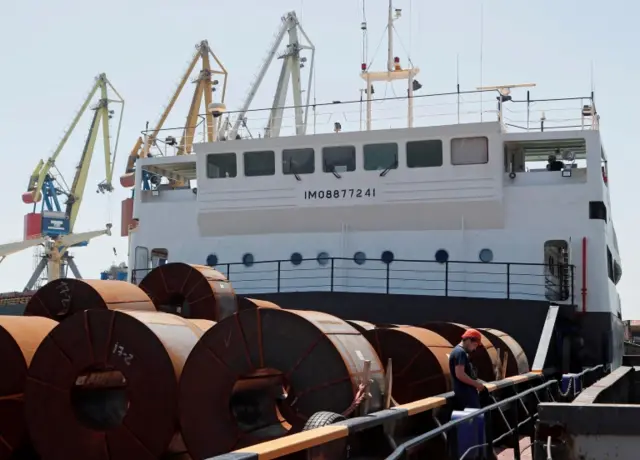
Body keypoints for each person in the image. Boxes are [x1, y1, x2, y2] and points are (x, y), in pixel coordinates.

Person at [449, 328, 486, 410]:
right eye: (475, 345)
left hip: (465, 394)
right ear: (469, 340)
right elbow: (460, 375)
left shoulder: (458, 352)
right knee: (473, 421)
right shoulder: (460, 353)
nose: (474, 349)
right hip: (466, 396)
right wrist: (477, 384)